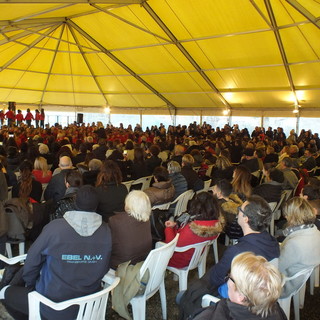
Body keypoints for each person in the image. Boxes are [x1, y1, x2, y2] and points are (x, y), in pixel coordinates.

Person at [1, 185, 112, 320]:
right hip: (89, 305)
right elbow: (104, 267)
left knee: (5, 293)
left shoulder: (55, 228)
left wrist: (31, 284)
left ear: (75, 203)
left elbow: (31, 262)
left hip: (51, 306)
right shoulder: (106, 231)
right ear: (96, 206)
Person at [178, 195, 280, 319]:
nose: (237, 212)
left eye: (239, 210)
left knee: (184, 297)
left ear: (246, 219)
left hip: (232, 298)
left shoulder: (237, 252)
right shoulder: (272, 242)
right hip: (257, 295)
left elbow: (215, 279)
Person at [192, 252, 286, 320]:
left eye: (231, 277)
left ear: (241, 296)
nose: (228, 280)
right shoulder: (278, 311)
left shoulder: (209, 316)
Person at [164, 192, 224, 268]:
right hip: (196, 257)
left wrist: (168, 228)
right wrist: (175, 225)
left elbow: (171, 245)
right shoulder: (215, 225)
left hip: (178, 260)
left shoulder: (191, 229)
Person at [278, 197, 320, 298]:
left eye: (287, 214)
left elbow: (277, 268)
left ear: (293, 216)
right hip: (299, 272)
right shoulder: (315, 231)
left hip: (284, 284)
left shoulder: (294, 244)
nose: (285, 216)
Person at [108, 190, 152, 270]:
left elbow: (109, 244)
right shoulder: (147, 218)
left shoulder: (115, 220)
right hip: (142, 261)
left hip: (122, 265)